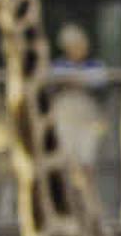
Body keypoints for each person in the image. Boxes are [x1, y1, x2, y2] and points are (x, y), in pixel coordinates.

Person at [45, 21, 112, 188]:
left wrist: (75, 81)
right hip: (65, 117)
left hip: (87, 118)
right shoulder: (58, 66)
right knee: (66, 160)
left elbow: (100, 86)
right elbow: (53, 85)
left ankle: (87, 199)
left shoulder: (95, 66)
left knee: (86, 161)